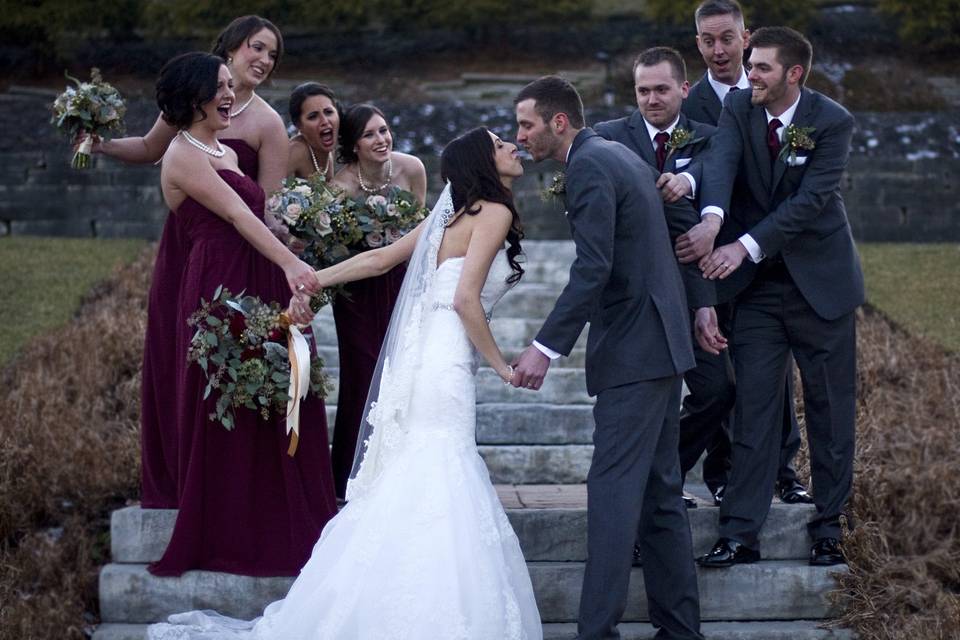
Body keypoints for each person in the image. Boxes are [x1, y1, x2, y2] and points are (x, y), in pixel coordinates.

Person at [146, 126, 542, 639]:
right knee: (443, 463)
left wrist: (313, 277)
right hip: (443, 356)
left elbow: (380, 259)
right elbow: (466, 299)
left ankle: (381, 599)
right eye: (500, 144)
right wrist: (503, 367)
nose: (514, 147)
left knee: (419, 468)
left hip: (424, 353)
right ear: (484, 163)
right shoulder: (494, 212)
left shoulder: (452, 215)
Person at [511, 76, 704, 640]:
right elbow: (662, 238)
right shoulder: (618, 154)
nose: (519, 135)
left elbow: (593, 267)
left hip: (635, 351)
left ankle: (596, 632)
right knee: (662, 495)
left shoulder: (590, 167)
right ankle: (679, 630)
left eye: (527, 124)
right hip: (660, 346)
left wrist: (545, 347)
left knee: (613, 496)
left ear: (559, 122)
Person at [146, 52, 337, 577]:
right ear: (194, 97)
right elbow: (234, 215)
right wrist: (293, 265)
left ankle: (287, 515)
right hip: (220, 287)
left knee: (289, 385)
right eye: (221, 87)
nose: (231, 94)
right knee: (233, 393)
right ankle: (233, 529)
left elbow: (260, 215)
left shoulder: (219, 150)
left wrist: (303, 245)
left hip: (260, 273)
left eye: (232, 85)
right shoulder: (183, 155)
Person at [89, 15, 291, 509]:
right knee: (174, 348)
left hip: (240, 249)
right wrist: (98, 142)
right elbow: (148, 148)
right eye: (256, 48)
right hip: (187, 243)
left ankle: (233, 474)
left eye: (272, 55)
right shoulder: (193, 95)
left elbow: (264, 205)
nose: (263, 60)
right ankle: (182, 471)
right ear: (231, 47)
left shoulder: (267, 123)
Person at [695, 27, 862, 568]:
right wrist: (713, 217)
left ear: (794, 74)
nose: (750, 74)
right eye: (751, 64)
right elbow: (720, 163)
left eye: (761, 66)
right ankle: (741, 532)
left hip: (822, 287)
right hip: (760, 293)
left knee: (829, 412)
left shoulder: (832, 121)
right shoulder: (740, 109)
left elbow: (813, 200)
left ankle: (828, 527)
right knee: (756, 409)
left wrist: (742, 247)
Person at [680, 0, 811, 507]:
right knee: (721, 372)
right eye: (708, 41)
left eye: (728, 39)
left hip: (768, 254)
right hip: (711, 260)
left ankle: (783, 468)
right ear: (698, 44)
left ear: (746, 37)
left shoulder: (779, 93)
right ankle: (720, 469)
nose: (719, 50)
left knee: (773, 371)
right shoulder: (686, 108)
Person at [594, 47, 732, 519]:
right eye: (642, 90)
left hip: (696, 286)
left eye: (661, 89)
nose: (651, 99)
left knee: (717, 389)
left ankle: (668, 473)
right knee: (649, 403)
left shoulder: (713, 139)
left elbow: (718, 184)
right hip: (636, 300)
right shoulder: (609, 138)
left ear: (684, 89)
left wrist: (703, 302)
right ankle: (655, 495)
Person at [326, 103, 427, 499]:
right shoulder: (340, 187)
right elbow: (331, 248)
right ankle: (351, 475)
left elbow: (422, 226)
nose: (381, 140)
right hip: (358, 296)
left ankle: (401, 470)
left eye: (384, 130)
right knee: (363, 374)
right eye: (370, 134)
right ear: (353, 145)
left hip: (403, 281)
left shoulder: (411, 168)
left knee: (406, 371)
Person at [287, 82, 340, 182]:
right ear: (298, 125)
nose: (325, 121)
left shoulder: (328, 148)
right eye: (313, 116)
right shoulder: (296, 151)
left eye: (329, 112)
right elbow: (266, 191)